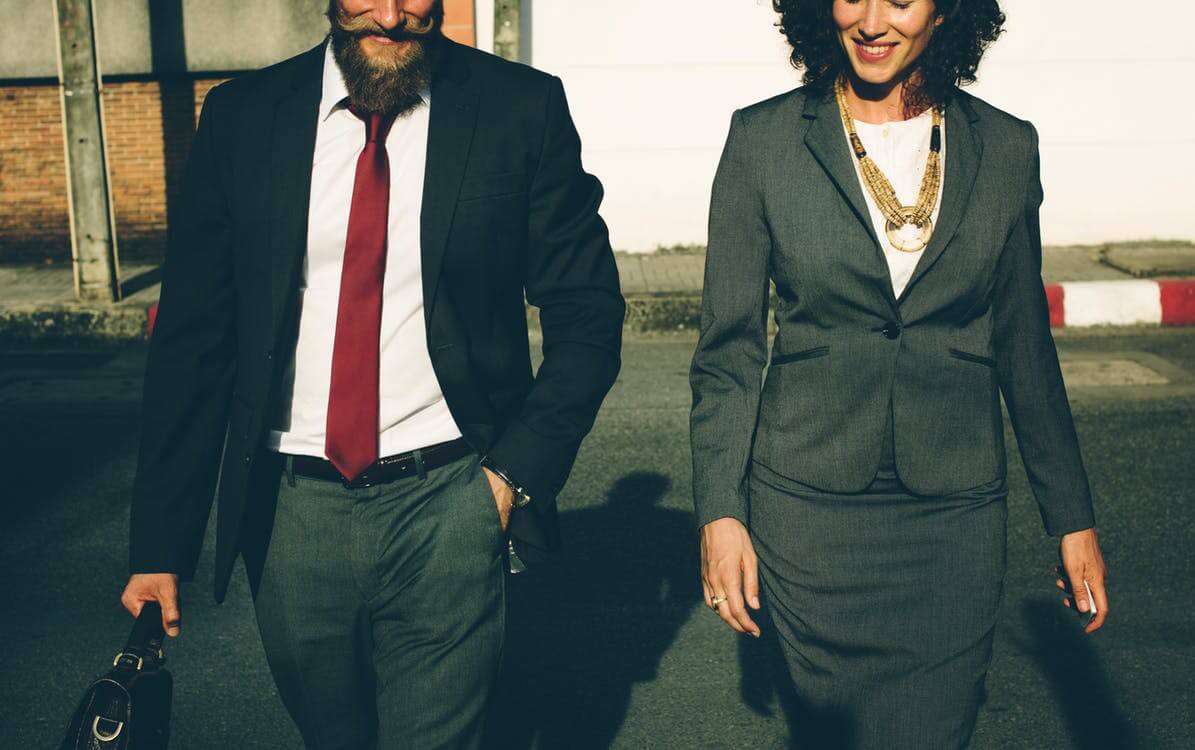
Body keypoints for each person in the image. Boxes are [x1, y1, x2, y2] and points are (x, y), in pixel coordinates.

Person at [119, 0, 624, 747]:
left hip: (450, 498)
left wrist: (511, 478)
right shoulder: (242, 116)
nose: (390, 14)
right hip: (291, 512)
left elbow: (586, 312)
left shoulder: (518, 108)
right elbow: (196, 340)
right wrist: (159, 547)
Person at [689, 1, 1109, 747]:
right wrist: (720, 513)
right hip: (807, 508)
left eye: (902, 0)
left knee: (936, 729)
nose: (873, 20)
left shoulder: (1006, 147)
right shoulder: (762, 140)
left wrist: (1069, 517)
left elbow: (1023, 347)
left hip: (951, 517)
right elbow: (728, 351)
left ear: (946, 13)